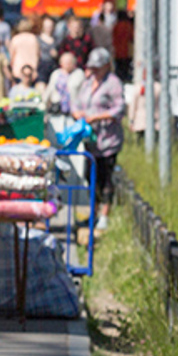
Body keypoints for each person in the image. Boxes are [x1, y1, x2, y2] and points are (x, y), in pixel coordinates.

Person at [72, 48, 126, 231]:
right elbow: (78, 102)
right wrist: (77, 113)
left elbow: (119, 109)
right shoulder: (88, 83)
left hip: (108, 140)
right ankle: (92, 213)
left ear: (106, 66)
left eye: (97, 68)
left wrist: (99, 116)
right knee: (91, 177)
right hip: (91, 140)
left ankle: (105, 214)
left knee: (105, 178)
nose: (94, 71)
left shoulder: (113, 83)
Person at [46, 50, 84, 115]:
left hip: (73, 111)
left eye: (70, 62)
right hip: (56, 110)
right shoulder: (55, 74)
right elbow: (49, 90)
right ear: (61, 63)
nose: (68, 64)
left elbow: (83, 92)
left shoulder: (79, 73)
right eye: (65, 62)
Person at [7, 17, 42, 82]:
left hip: (18, 69)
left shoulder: (16, 39)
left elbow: (11, 55)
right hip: (32, 69)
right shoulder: (34, 39)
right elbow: (39, 54)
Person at [112, 10, 133, 82]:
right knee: (126, 69)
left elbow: (113, 38)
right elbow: (131, 37)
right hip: (126, 51)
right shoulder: (128, 25)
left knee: (119, 70)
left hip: (117, 51)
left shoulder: (116, 26)